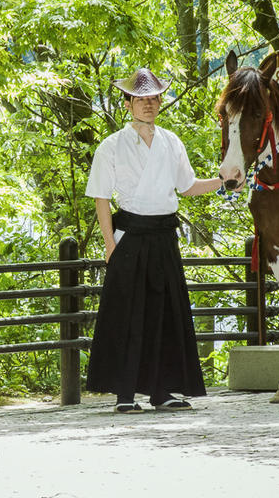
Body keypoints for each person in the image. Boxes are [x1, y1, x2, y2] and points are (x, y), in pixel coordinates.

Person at [85, 67, 223, 413]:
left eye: (154, 98)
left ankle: (163, 391)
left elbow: (188, 187)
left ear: (160, 102)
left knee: (165, 314)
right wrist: (109, 245)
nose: (148, 104)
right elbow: (102, 198)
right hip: (129, 236)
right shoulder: (111, 146)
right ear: (129, 103)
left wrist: (223, 180)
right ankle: (126, 394)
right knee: (128, 316)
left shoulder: (171, 141)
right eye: (141, 99)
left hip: (164, 236)